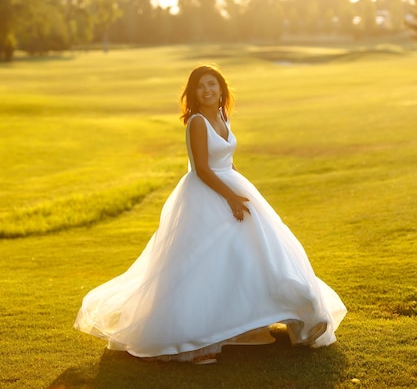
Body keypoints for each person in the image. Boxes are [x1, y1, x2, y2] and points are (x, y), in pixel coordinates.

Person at [74, 64, 346, 364]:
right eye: (201, 86)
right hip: (206, 195)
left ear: (221, 89)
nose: (207, 90)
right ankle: (195, 341)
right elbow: (202, 169)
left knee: (256, 253)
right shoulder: (197, 122)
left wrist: (242, 189)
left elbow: (226, 158)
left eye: (212, 84)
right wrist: (230, 197)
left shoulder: (222, 116)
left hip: (230, 184)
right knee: (202, 265)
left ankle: (263, 318)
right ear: (193, 93)